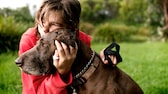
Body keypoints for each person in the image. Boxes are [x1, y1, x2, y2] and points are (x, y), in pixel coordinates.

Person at [18, 0, 118, 94]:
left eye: (54, 24)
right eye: (43, 21)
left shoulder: (80, 39)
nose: (44, 29)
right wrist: (62, 73)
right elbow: (37, 91)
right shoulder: (29, 40)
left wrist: (100, 59)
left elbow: (86, 76)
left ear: (72, 26)